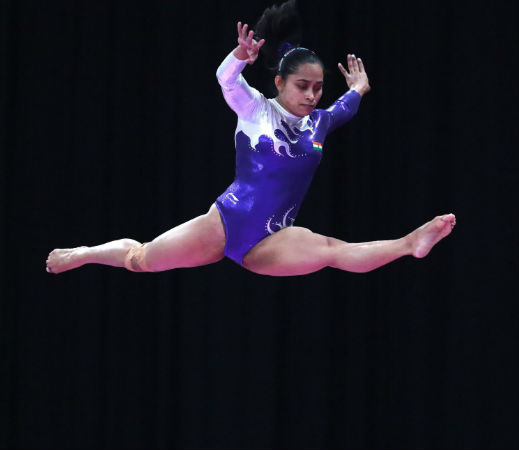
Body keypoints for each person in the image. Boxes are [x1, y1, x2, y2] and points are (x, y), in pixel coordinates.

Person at [46, 1, 456, 277]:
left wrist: (359, 89)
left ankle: (409, 244)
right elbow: (225, 79)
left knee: (332, 250)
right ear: (279, 83)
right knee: (142, 258)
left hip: (273, 238)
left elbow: (345, 107)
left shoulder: (319, 123)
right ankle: (85, 253)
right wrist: (240, 56)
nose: (312, 96)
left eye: (318, 87)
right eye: (302, 86)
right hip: (226, 222)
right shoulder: (255, 109)